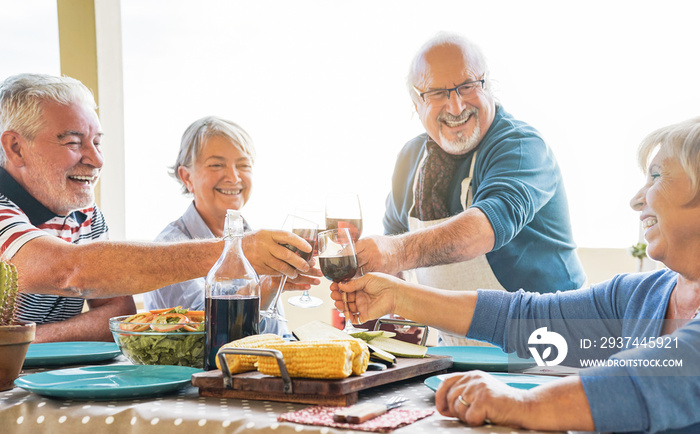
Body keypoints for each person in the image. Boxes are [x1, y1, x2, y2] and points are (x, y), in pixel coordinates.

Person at [332, 117, 700, 432]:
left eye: (657, 176)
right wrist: (398, 296)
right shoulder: (639, 295)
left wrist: (522, 404)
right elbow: (526, 317)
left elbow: (663, 372)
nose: (637, 198)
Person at [0, 73, 312, 340]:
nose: (97, 160)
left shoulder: (85, 215)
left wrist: (21, 346)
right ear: (15, 148)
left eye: (97, 142)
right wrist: (237, 252)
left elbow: (116, 315)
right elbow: (69, 271)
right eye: (72, 142)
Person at [355, 33, 585, 345]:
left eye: (467, 86)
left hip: (548, 341)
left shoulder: (520, 146)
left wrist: (393, 252)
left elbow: (481, 231)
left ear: (487, 85)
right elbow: (393, 267)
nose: (456, 105)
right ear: (416, 102)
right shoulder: (411, 159)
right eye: (437, 93)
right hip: (458, 351)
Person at [142, 116, 320, 335]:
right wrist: (264, 289)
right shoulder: (169, 249)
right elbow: (200, 335)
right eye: (216, 165)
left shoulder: (254, 240)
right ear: (187, 177)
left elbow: (277, 334)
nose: (234, 177)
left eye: (243, 165)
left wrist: (273, 285)